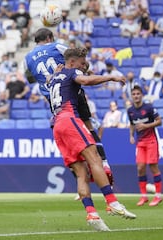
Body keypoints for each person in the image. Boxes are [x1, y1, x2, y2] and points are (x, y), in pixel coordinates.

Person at [48, 47, 136, 231]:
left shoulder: (55, 78)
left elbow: (53, 79)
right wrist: (110, 77)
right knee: (95, 158)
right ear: (72, 62)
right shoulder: (72, 72)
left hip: (56, 126)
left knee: (81, 173)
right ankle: (112, 201)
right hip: (69, 118)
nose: (83, 68)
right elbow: (85, 80)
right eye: (81, 64)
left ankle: (92, 214)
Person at [24, 28, 114, 186]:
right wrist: (87, 70)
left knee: (69, 140)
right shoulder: (57, 46)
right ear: (50, 37)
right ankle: (104, 164)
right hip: (70, 90)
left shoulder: (27, 58)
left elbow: (31, 79)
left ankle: (82, 178)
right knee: (88, 127)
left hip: (54, 99)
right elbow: (78, 60)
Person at [127, 85, 163, 207]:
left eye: (138, 94)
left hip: (151, 140)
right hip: (140, 142)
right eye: (134, 94)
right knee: (140, 167)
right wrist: (131, 135)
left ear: (142, 95)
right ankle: (144, 196)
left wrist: (146, 126)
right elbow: (132, 124)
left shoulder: (148, 108)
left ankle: (158, 195)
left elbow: (159, 121)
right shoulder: (130, 110)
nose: (136, 96)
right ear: (131, 96)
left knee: (153, 167)